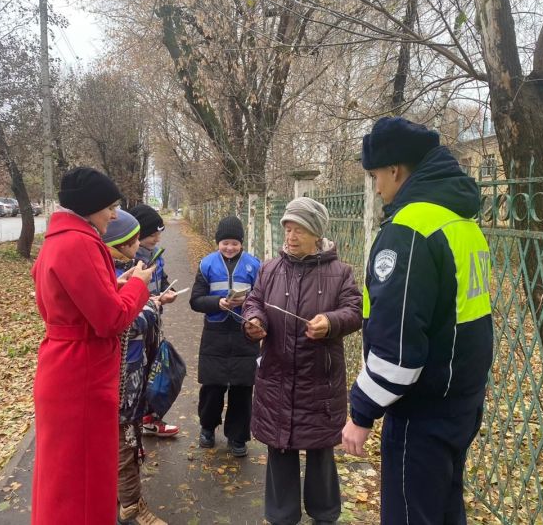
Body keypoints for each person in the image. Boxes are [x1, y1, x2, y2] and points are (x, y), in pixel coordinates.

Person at [341, 117, 493, 524]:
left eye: (375, 175)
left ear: (395, 169)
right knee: (445, 511)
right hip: (461, 404)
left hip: (421, 414)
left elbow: (399, 348)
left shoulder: (410, 229)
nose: (375, 186)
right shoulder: (461, 222)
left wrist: (361, 413)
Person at [31, 168, 155, 525]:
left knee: (61, 478)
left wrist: (115, 283)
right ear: (90, 207)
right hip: (82, 372)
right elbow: (110, 320)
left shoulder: (59, 239)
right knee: (84, 484)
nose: (114, 215)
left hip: (64, 364)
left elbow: (74, 304)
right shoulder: (81, 242)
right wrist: (138, 286)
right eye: (110, 206)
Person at [243, 197, 362, 525]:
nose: (290, 236)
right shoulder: (270, 268)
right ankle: (282, 516)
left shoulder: (340, 273)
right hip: (276, 376)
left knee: (321, 449)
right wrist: (254, 321)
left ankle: (324, 514)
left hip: (319, 381)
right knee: (279, 448)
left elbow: (355, 311)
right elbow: (254, 301)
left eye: (299, 229)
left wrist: (331, 321)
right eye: (288, 228)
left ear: (316, 233)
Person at [102, 209, 178, 525]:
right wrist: (151, 302)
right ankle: (130, 508)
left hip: (132, 370)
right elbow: (124, 323)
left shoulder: (123, 271)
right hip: (120, 376)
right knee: (124, 443)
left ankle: (124, 502)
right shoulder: (115, 275)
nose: (141, 245)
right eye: (134, 241)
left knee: (127, 438)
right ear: (121, 245)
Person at [189, 216, 261, 457]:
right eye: (225, 243)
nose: (230, 247)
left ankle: (237, 437)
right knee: (212, 386)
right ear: (217, 242)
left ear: (242, 243)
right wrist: (217, 303)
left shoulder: (254, 265)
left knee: (242, 388)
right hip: (215, 334)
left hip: (245, 334)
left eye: (234, 243)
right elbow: (196, 300)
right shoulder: (206, 264)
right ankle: (207, 428)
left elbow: (263, 299)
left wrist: (249, 304)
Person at [127, 203, 179, 437]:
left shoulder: (156, 256)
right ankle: (133, 425)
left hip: (154, 321)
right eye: (152, 234)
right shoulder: (128, 261)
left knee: (154, 370)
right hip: (136, 326)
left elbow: (162, 278)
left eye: (159, 233)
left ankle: (150, 418)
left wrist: (166, 293)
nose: (157, 238)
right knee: (139, 374)